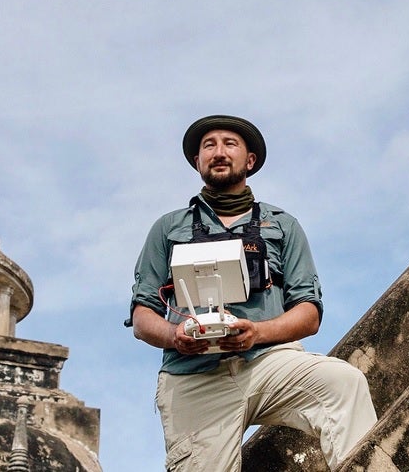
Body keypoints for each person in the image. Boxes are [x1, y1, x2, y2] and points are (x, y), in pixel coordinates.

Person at [128, 114, 377, 471]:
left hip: (268, 360)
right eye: (208, 145)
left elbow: (308, 312)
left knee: (343, 383)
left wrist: (257, 333)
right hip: (194, 375)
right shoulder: (168, 228)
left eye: (230, 144)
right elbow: (142, 316)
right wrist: (175, 335)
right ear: (197, 161)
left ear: (250, 160)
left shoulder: (282, 224)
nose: (218, 152)